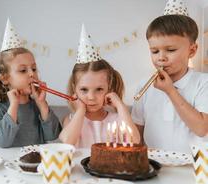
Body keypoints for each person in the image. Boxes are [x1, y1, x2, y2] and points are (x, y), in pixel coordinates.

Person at [131, 0, 208, 153]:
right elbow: (137, 134)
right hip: (154, 165)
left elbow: (201, 129)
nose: (161, 58)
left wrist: (170, 91)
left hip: (193, 168)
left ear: (192, 51)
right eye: (155, 51)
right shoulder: (144, 87)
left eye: (171, 50)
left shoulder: (203, 82)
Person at [59, 25, 140, 148]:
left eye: (99, 89)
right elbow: (66, 144)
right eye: (84, 90)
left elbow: (134, 141)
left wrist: (120, 105)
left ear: (109, 88)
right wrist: (80, 111)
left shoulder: (116, 120)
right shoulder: (71, 120)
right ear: (74, 88)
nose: (91, 97)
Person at [0, 19, 61, 147]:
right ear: (4, 78)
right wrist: (14, 105)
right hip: (10, 165)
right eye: (22, 70)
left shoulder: (37, 105)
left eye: (34, 68)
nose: (32, 74)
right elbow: (3, 142)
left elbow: (53, 135)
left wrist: (42, 104)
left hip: (36, 164)